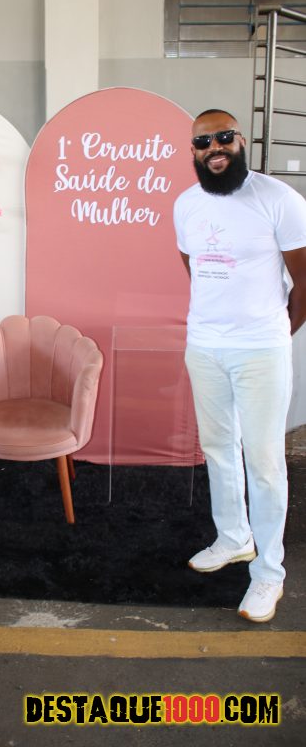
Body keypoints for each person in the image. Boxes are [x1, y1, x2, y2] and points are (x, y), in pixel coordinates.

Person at [173, 108, 306, 623]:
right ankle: (233, 537)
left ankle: (269, 571)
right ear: (193, 150)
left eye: (223, 137)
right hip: (204, 346)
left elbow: (303, 280)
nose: (214, 148)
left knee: (265, 462)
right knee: (218, 447)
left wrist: (273, 334)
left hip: (261, 350)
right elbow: (194, 268)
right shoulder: (186, 204)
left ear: (241, 140)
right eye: (203, 142)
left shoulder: (278, 199)